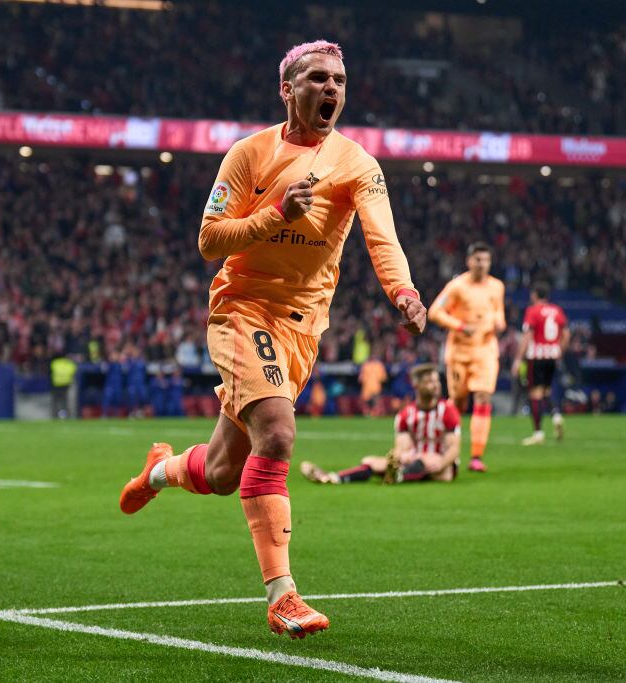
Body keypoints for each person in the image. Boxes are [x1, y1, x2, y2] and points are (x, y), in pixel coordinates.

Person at [118, 40, 426, 639]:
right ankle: (283, 595)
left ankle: (158, 471)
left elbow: (381, 237)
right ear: (288, 89)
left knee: (229, 469)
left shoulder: (358, 163)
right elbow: (210, 241)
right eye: (317, 78)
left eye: (339, 79)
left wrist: (405, 292)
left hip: (303, 328)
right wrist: (274, 215)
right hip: (242, 309)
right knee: (279, 434)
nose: (331, 88)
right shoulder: (248, 153)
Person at [300, 364, 460, 484]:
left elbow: (454, 448)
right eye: (429, 382)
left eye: (436, 381)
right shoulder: (406, 414)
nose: (435, 385)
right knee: (371, 462)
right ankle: (332, 478)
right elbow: (401, 447)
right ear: (417, 385)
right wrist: (400, 458)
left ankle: (398, 475)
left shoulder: (447, 410)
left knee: (434, 466)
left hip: (442, 463)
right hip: (415, 460)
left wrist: (442, 462)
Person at [428, 242, 505, 472]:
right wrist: (459, 326)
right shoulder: (457, 287)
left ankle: (476, 457)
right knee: (458, 403)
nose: (482, 264)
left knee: (483, 397)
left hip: (486, 350)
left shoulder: (497, 286)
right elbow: (435, 312)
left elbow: (498, 310)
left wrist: (500, 321)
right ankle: (448, 449)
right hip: (459, 352)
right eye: (478, 259)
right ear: (469, 261)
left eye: (486, 260)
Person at [512, 282, 569, 445]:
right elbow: (566, 334)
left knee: (535, 394)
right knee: (547, 390)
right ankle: (556, 415)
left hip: (537, 356)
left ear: (534, 295)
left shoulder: (532, 311)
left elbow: (527, 336)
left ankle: (538, 433)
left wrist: (518, 359)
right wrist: (559, 351)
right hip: (552, 356)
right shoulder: (557, 311)